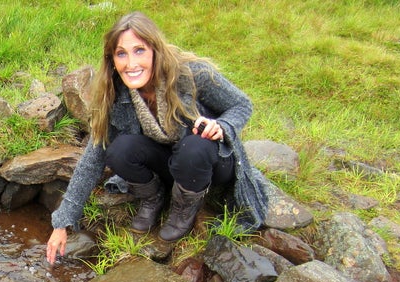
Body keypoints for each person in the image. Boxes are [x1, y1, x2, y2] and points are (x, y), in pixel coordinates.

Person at [45, 11, 270, 264]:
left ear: (154, 49)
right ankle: (153, 197)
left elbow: (242, 105)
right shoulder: (116, 93)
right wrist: (62, 220)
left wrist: (224, 126)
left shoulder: (192, 75)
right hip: (171, 162)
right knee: (119, 149)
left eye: (139, 50)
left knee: (193, 147)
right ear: (112, 60)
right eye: (121, 54)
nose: (131, 64)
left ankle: (184, 208)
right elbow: (94, 157)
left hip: (210, 162)